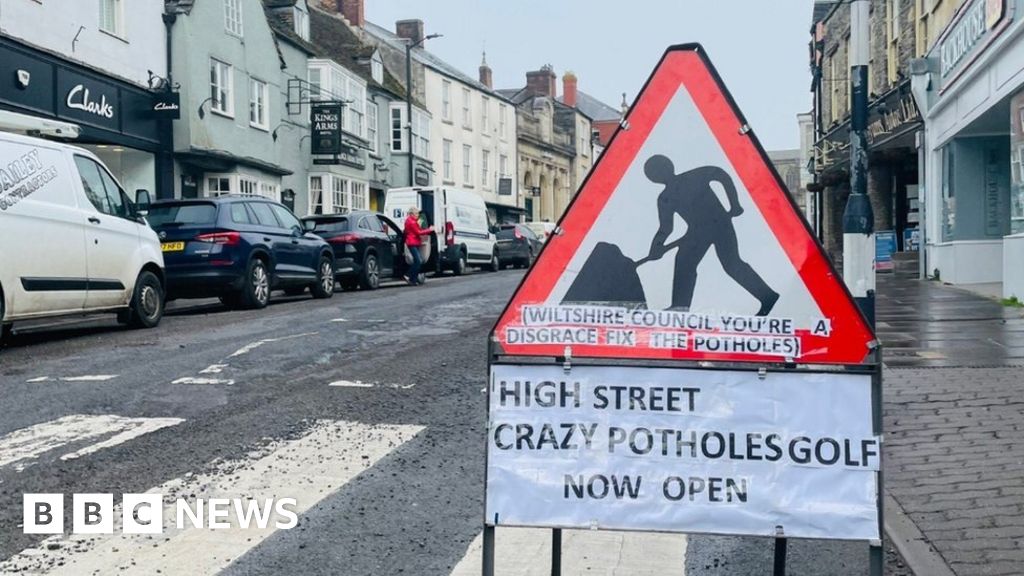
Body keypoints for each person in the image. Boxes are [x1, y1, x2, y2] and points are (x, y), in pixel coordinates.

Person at [645, 155, 779, 315]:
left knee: (731, 264)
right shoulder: (665, 197)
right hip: (697, 231)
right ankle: (680, 306)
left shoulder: (695, 176)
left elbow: (721, 175)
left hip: (720, 224)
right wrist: (656, 248)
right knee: (684, 262)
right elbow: (666, 228)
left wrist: (734, 203)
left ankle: (768, 296)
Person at [403, 207, 433, 285]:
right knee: (418, 261)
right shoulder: (412, 222)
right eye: (416, 214)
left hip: (413, 242)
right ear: (411, 214)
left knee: (417, 261)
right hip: (412, 242)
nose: (417, 216)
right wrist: (429, 229)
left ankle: (413, 280)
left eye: (418, 214)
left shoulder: (409, 221)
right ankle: (408, 275)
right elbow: (419, 232)